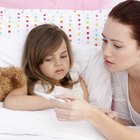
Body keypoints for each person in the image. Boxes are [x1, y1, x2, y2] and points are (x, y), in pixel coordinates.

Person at [51, 1, 140, 140]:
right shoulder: (119, 71)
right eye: (105, 40)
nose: (106, 52)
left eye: (117, 45)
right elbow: (127, 123)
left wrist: (92, 114)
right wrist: (107, 118)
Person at [3, 24, 89, 110]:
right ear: (35, 61)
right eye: (49, 59)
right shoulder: (28, 82)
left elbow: (87, 109)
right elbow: (10, 102)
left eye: (63, 56)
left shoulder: (76, 80)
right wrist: (56, 101)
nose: (59, 63)